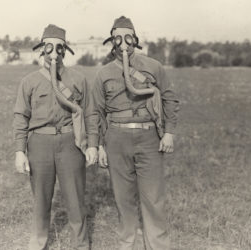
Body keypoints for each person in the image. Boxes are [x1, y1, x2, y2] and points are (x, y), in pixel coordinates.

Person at [85, 16, 180, 250]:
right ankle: (127, 244)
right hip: (117, 139)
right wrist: (98, 145)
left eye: (128, 38)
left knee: (153, 198)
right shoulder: (104, 73)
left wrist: (169, 133)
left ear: (135, 40)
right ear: (112, 42)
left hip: (149, 138)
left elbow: (169, 98)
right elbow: (95, 112)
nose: (123, 44)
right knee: (123, 199)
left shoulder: (153, 66)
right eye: (117, 39)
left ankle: (157, 245)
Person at [13, 24, 94, 250]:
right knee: (41, 199)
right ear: (42, 49)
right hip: (39, 144)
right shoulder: (29, 81)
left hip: (70, 143)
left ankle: (80, 244)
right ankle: (38, 243)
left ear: (65, 50)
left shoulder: (78, 79)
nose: (54, 52)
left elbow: (90, 113)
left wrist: (92, 145)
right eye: (49, 47)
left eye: (60, 47)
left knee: (76, 199)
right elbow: (21, 116)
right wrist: (20, 151)